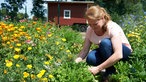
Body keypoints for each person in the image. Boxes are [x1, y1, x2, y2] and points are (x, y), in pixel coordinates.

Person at [75, 5, 132, 80]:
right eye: (90, 24)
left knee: (105, 43)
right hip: (106, 51)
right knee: (91, 58)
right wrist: (75, 62)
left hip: (123, 52)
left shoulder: (112, 27)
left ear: (102, 18)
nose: (93, 27)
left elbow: (118, 54)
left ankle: (110, 73)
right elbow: (85, 50)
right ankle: (109, 66)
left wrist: (98, 68)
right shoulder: (90, 29)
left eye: (95, 24)